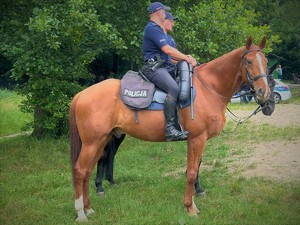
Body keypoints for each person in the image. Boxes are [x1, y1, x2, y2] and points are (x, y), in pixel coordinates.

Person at [142, 2, 197, 142]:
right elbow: (167, 50)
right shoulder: (152, 28)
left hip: (163, 66)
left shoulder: (160, 30)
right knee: (173, 88)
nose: (166, 15)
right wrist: (186, 57)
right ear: (158, 12)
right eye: (164, 12)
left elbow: (170, 57)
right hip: (153, 68)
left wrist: (185, 61)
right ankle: (170, 129)